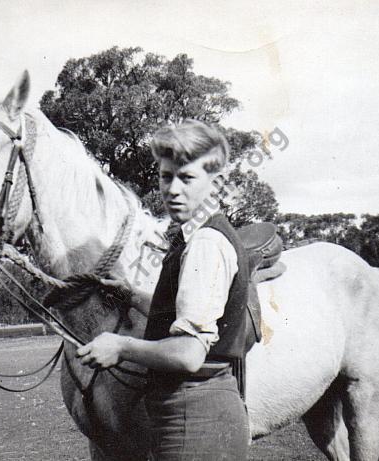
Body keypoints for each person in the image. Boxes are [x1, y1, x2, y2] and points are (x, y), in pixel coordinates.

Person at [76, 119, 251, 460]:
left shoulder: (205, 243)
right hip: (191, 413)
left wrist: (121, 346)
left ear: (216, 185)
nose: (172, 189)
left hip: (194, 418)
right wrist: (130, 295)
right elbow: (179, 314)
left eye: (186, 178)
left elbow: (189, 353)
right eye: (166, 176)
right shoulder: (192, 236)